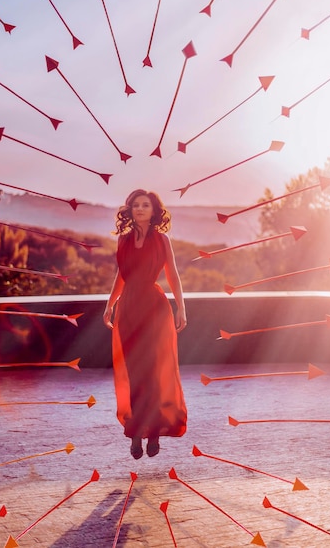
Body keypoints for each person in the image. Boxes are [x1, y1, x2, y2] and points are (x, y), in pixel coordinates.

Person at [103, 189, 187, 459]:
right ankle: (137, 431)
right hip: (128, 309)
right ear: (129, 210)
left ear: (154, 211)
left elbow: (172, 274)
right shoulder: (123, 241)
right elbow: (121, 276)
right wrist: (110, 303)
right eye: (136, 205)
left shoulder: (162, 240)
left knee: (152, 371)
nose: (140, 209)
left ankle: (152, 433)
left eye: (145, 205)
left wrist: (181, 307)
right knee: (134, 371)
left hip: (154, 309)